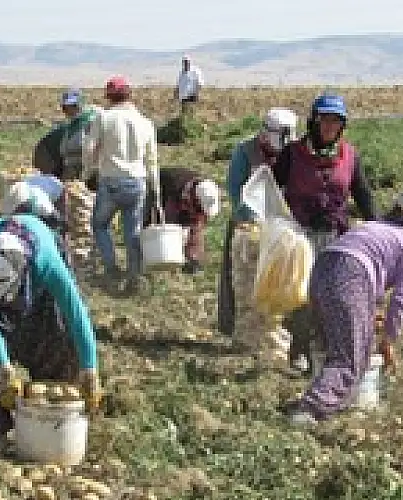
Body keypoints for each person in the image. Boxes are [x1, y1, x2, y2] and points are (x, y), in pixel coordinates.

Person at [288, 187, 403, 426]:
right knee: (351, 355)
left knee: (329, 342)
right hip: (351, 276)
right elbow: (401, 299)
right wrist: (388, 341)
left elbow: (365, 265)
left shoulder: (371, 227)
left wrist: (368, 313)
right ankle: (311, 409)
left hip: (321, 268)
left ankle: (330, 397)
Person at [0, 211, 101, 448]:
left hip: (40, 287)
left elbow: (76, 313)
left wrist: (89, 367)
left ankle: (52, 427)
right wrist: (3, 367)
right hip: (2, 290)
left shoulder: (45, 261)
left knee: (58, 341)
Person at [273, 93, 377, 373]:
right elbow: (270, 189)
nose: (330, 127)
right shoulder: (292, 154)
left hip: (337, 237)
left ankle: (326, 350)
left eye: (336, 122)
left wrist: (376, 225)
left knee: (331, 294)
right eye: (325, 120)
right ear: (313, 122)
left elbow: (362, 193)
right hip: (300, 236)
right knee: (302, 293)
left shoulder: (350, 156)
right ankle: (299, 349)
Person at [218, 107, 299, 339]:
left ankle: (282, 332)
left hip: (282, 227)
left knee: (281, 280)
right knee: (244, 281)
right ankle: (242, 331)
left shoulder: (293, 153)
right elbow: (235, 189)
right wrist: (250, 217)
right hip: (249, 227)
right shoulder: (245, 151)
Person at [89, 75, 159, 293]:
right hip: (137, 181)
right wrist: (155, 189)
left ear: (109, 96)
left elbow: (89, 148)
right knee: (133, 231)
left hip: (110, 179)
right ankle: (134, 274)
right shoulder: (146, 122)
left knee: (100, 224)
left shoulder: (103, 118)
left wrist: (89, 170)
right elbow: (152, 160)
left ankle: (111, 268)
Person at [149, 166, 221, 274]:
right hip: (162, 193)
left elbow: (197, 224)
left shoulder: (208, 189)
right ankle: (163, 256)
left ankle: (193, 259)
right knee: (166, 228)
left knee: (196, 226)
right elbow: (169, 219)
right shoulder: (175, 186)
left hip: (181, 197)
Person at [56, 88, 100, 181]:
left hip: (87, 169)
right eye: (66, 107)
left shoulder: (90, 119)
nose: (68, 110)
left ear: (79, 105)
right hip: (70, 168)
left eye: (71, 106)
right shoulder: (72, 123)